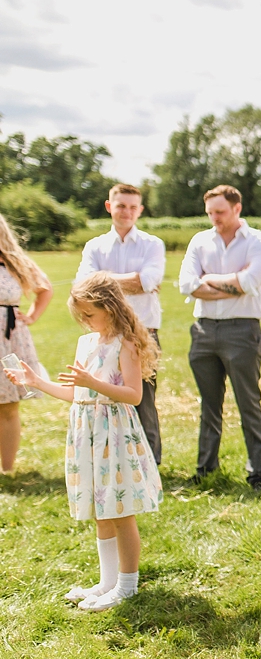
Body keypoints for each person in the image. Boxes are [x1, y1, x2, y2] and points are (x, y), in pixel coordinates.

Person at [5, 272, 164, 611]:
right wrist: (35, 381)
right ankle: (107, 582)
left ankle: (127, 586)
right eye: (81, 316)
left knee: (121, 511)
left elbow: (134, 395)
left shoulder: (126, 341)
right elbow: (76, 394)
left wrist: (94, 382)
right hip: (86, 431)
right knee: (100, 509)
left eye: (90, 314)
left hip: (114, 432)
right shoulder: (86, 343)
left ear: (109, 307)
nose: (85, 322)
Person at [177, 185, 261, 490]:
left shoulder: (259, 241)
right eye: (210, 213)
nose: (214, 218)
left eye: (219, 212)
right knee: (209, 404)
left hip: (242, 330)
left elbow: (250, 281)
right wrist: (231, 283)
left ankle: (256, 471)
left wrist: (207, 281)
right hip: (204, 330)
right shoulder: (200, 240)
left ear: (237, 209)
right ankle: (206, 468)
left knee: (248, 402)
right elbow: (186, 284)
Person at [77, 183, 167, 465]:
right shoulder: (95, 246)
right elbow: (83, 285)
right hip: (103, 337)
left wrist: (104, 280)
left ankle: (150, 463)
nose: (126, 212)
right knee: (105, 398)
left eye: (132, 207)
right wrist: (133, 280)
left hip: (143, 334)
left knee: (143, 401)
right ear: (109, 207)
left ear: (139, 210)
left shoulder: (152, 244)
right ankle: (115, 461)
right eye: (120, 206)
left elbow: (148, 280)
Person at [0, 214, 53, 473]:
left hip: (9, 337)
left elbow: (45, 288)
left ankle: (7, 470)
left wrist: (31, 316)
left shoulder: (16, 262)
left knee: (8, 405)